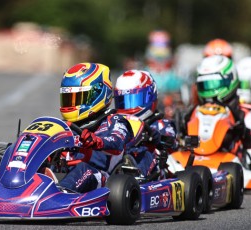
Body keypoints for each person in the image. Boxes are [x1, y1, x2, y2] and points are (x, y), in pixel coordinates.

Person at [58, 62, 137, 193]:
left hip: (102, 179)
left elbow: (117, 143)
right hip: (66, 173)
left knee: (84, 169)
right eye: (68, 98)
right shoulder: (66, 126)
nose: (72, 104)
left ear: (98, 93)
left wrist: (97, 141)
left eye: (78, 98)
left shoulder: (115, 121)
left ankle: (60, 196)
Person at [113, 69, 178, 178]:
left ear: (150, 96)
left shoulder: (160, 124)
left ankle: (131, 172)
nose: (127, 107)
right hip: (117, 170)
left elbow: (172, 144)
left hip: (152, 172)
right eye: (123, 101)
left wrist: (153, 138)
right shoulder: (115, 123)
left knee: (142, 152)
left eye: (132, 100)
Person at [184, 55, 251, 152]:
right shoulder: (191, 113)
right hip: (196, 161)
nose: (209, 90)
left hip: (235, 162)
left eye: (213, 84)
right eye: (205, 85)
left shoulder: (246, 114)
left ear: (230, 79)